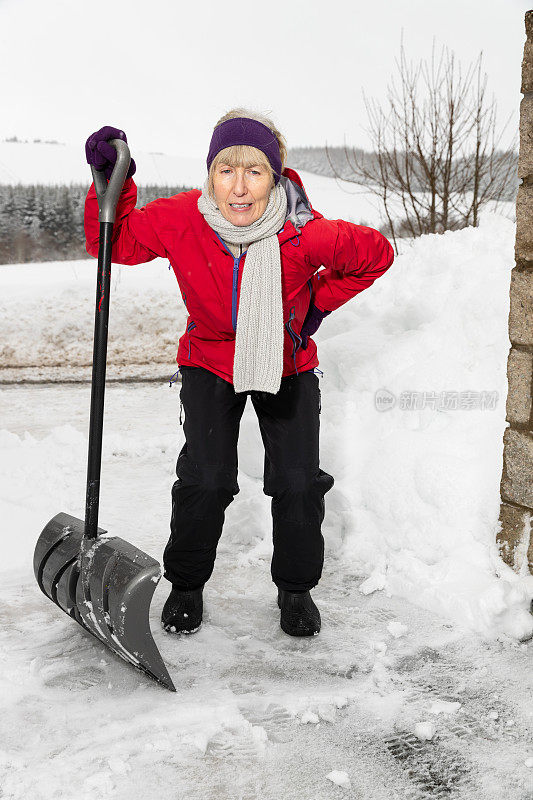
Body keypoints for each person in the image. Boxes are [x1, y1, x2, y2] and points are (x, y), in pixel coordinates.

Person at [84, 108, 394, 638]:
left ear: (274, 177)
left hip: (287, 361)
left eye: (255, 171)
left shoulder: (301, 231)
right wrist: (114, 183)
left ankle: (295, 590)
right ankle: (186, 584)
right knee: (206, 478)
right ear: (210, 174)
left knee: (298, 482)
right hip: (208, 358)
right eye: (227, 169)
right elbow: (114, 243)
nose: (240, 186)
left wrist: (312, 307)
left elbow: (377, 255)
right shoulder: (185, 218)